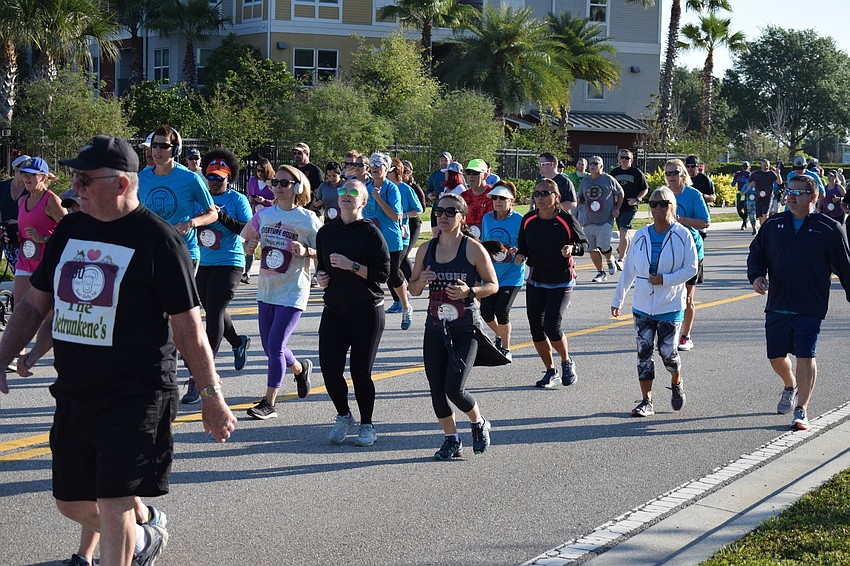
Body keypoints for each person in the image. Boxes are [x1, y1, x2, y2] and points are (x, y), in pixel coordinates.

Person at [0, 135, 236, 566]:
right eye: (74, 178)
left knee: (113, 501)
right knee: (71, 503)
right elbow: (35, 303)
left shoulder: (160, 241)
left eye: (85, 180)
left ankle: (125, 538)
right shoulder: (70, 229)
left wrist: (210, 395)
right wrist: (3, 355)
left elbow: (188, 327)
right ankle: (144, 531)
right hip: (75, 390)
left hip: (137, 391)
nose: (75, 188)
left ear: (121, 184)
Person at [747, 174, 850, 430]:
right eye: (789, 192)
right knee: (775, 357)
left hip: (810, 305)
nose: (790, 197)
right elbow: (756, 253)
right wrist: (757, 275)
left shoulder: (829, 229)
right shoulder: (773, 225)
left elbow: (846, 269)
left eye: (797, 193)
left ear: (813, 197)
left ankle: (802, 409)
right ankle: (790, 385)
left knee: (806, 355)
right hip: (778, 303)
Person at [409, 193, 500, 459]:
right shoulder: (426, 249)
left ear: (462, 217)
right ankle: (451, 439)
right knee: (436, 390)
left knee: (455, 388)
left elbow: (493, 285)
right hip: (435, 327)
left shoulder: (472, 248)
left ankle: (478, 422)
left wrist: (469, 291)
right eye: (439, 211)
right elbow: (412, 289)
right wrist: (421, 281)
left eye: (450, 212)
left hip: (464, 328)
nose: (443, 217)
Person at [240, 164, 321, 420]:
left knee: (275, 346)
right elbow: (247, 239)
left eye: (284, 183)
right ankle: (300, 369)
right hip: (267, 289)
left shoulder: (308, 219)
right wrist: (249, 246)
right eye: (275, 182)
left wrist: (307, 251)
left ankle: (269, 403)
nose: (278, 187)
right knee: (269, 347)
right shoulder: (264, 215)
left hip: (293, 289)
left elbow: (325, 250)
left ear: (297, 188)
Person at [611, 187, 698, 417]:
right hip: (642, 306)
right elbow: (629, 269)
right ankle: (646, 401)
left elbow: (691, 268)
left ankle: (676, 380)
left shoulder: (682, 235)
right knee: (644, 355)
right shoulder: (641, 235)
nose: (658, 208)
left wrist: (665, 280)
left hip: (670, 305)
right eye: (654, 204)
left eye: (663, 204)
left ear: (673, 206)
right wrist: (618, 299)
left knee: (668, 354)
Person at [315, 179, 390, 447]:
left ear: (363, 201)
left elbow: (384, 274)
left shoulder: (371, 233)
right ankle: (344, 415)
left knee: (360, 372)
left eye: (353, 192)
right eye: (343, 191)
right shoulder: (326, 232)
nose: (347, 195)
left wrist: (352, 266)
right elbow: (322, 266)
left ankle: (367, 425)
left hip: (367, 311)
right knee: (329, 369)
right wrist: (320, 276)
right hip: (334, 309)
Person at [185, 149, 253, 405]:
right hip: (204, 262)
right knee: (214, 308)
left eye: (219, 178)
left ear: (229, 178)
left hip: (230, 262)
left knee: (213, 313)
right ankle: (237, 341)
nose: (214, 182)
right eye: (211, 177)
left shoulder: (237, 199)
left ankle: (201, 376)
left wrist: (219, 215)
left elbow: (246, 230)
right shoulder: (200, 197)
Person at [516, 178, 587, 388]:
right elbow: (523, 246)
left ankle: (566, 361)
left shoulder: (566, 219)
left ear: (556, 196)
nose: (540, 198)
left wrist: (572, 249)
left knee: (552, 326)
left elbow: (583, 244)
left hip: (561, 279)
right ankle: (550, 371)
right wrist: (520, 255)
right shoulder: (529, 220)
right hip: (536, 279)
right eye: (537, 194)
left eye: (545, 193)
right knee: (536, 329)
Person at [138, 124, 216, 270]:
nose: (157, 150)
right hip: (151, 252)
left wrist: (191, 223)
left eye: (163, 146)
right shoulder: (141, 179)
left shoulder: (190, 179)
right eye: (154, 145)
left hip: (184, 252)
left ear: (175, 150)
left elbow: (213, 214)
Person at [14, 157, 66, 367]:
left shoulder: (51, 200)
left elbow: (69, 229)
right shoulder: (22, 201)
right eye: (24, 174)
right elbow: (23, 230)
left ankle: (59, 354)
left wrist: (44, 238)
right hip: (25, 259)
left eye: (32, 175)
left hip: (47, 263)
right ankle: (18, 353)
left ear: (43, 177)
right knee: (19, 307)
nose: (26, 178)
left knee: (49, 314)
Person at [664, 159, 711, 352]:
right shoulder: (664, 194)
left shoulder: (693, 195)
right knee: (670, 296)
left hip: (691, 251)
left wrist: (681, 220)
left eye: (675, 172)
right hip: (670, 250)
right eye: (668, 173)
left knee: (687, 297)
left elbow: (705, 222)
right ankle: (670, 333)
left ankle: (685, 336)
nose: (671, 176)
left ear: (683, 174)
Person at [363, 153, 414, 329]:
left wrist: (378, 198)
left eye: (379, 164)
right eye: (372, 164)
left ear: (387, 169)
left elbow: (395, 216)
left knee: (392, 275)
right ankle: (368, 312)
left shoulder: (392, 189)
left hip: (391, 240)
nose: (375, 167)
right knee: (367, 274)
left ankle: (406, 306)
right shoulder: (365, 187)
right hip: (370, 239)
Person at [480, 181, 525, 360]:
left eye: (502, 198)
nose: (498, 201)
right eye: (495, 198)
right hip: (491, 273)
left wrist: (518, 253)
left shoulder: (519, 220)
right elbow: (484, 243)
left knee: (502, 310)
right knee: (486, 312)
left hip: (512, 273)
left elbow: (527, 245)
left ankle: (506, 348)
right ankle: (500, 334)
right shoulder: (487, 218)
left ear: (511, 200)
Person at [385, 157, 424, 314]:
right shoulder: (381, 188)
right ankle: (398, 300)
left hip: (402, 235)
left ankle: (404, 297)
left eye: (387, 168)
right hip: (386, 234)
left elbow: (419, 209)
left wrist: (403, 215)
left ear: (395, 171)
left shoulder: (405, 188)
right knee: (388, 269)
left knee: (393, 268)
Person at [578, 155, 622, 283]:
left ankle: (610, 259)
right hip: (589, 220)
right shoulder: (585, 181)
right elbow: (581, 198)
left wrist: (617, 208)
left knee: (603, 245)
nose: (592, 165)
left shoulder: (608, 179)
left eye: (595, 163)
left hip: (605, 219)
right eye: (591, 163)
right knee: (591, 248)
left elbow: (620, 193)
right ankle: (600, 272)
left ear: (601, 166)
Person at [611, 149, 649, 268]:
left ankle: (621, 259)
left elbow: (645, 189)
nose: (624, 160)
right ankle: (629, 249)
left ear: (631, 160)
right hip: (618, 207)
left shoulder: (636, 173)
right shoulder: (614, 173)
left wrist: (637, 199)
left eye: (627, 158)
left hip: (630, 207)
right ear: (618, 159)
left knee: (623, 231)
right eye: (622, 157)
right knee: (624, 233)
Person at [243, 158, 277, 284]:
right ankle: (247, 272)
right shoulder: (252, 181)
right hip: (254, 215)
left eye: (262, 171)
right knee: (250, 243)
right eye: (257, 171)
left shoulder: (273, 182)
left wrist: (264, 201)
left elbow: (276, 201)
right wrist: (251, 199)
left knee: (267, 244)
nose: (259, 173)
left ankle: (270, 270)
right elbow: (248, 195)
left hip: (268, 217)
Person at [460, 158, 493, 238]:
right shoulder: (463, 196)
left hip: (489, 239)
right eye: (468, 173)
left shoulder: (494, 195)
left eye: (475, 173)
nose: (471, 176)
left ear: (485, 175)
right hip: (468, 240)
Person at [748, 159, 780, 233]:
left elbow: (779, 182)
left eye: (767, 166)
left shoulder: (772, 173)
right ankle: (763, 229)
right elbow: (749, 182)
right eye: (764, 166)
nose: (766, 167)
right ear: (761, 166)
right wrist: (751, 184)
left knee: (765, 214)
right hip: (758, 197)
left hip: (768, 197)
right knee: (760, 216)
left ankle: (765, 230)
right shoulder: (756, 174)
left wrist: (778, 174)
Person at [292, 142, 323, 208]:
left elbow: (319, 192)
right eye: (295, 153)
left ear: (307, 154)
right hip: (294, 206)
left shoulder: (315, 170)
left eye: (299, 153)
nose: (296, 156)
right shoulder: (292, 169)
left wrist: (314, 206)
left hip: (309, 207)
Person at [732, 162, 751, 230]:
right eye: (744, 166)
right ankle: (745, 219)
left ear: (749, 167)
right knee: (739, 209)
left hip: (747, 193)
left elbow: (752, 183)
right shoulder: (738, 174)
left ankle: (744, 224)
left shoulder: (750, 174)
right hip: (740, 193)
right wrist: (737, 180)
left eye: (746, 167)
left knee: (746, 209)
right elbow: (732, 184)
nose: (745, 168)